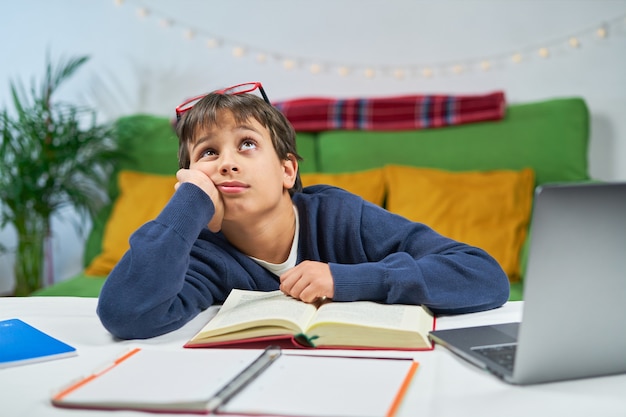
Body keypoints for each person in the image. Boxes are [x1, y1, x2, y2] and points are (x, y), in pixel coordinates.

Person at [97, 82, 510, 339]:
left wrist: (344, 278)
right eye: (208, 153)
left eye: (246, 144)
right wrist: (191, 202)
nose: (226, 162)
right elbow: (125, 314)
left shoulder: (341, 216)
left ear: (286, 170)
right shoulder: (202, 253)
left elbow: (483, 275)